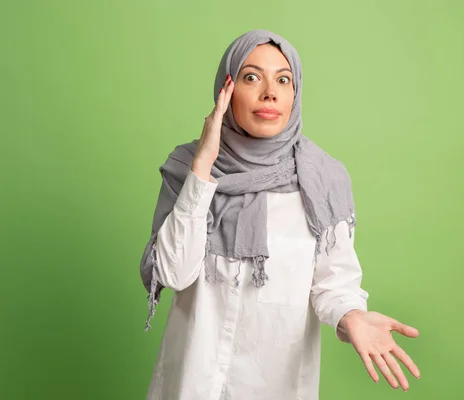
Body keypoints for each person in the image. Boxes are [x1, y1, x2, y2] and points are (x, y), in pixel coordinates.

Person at [139, 29, 420, 400]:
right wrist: (203, 167)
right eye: (251, 77)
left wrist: (352, 316)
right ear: (226, 89)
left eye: (283, 80)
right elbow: (174, 273)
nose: (269, 91)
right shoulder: (188, 169)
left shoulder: (322, 180)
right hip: (191, 384)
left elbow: (333, 283)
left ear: (295, 93)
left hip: (273, 387)